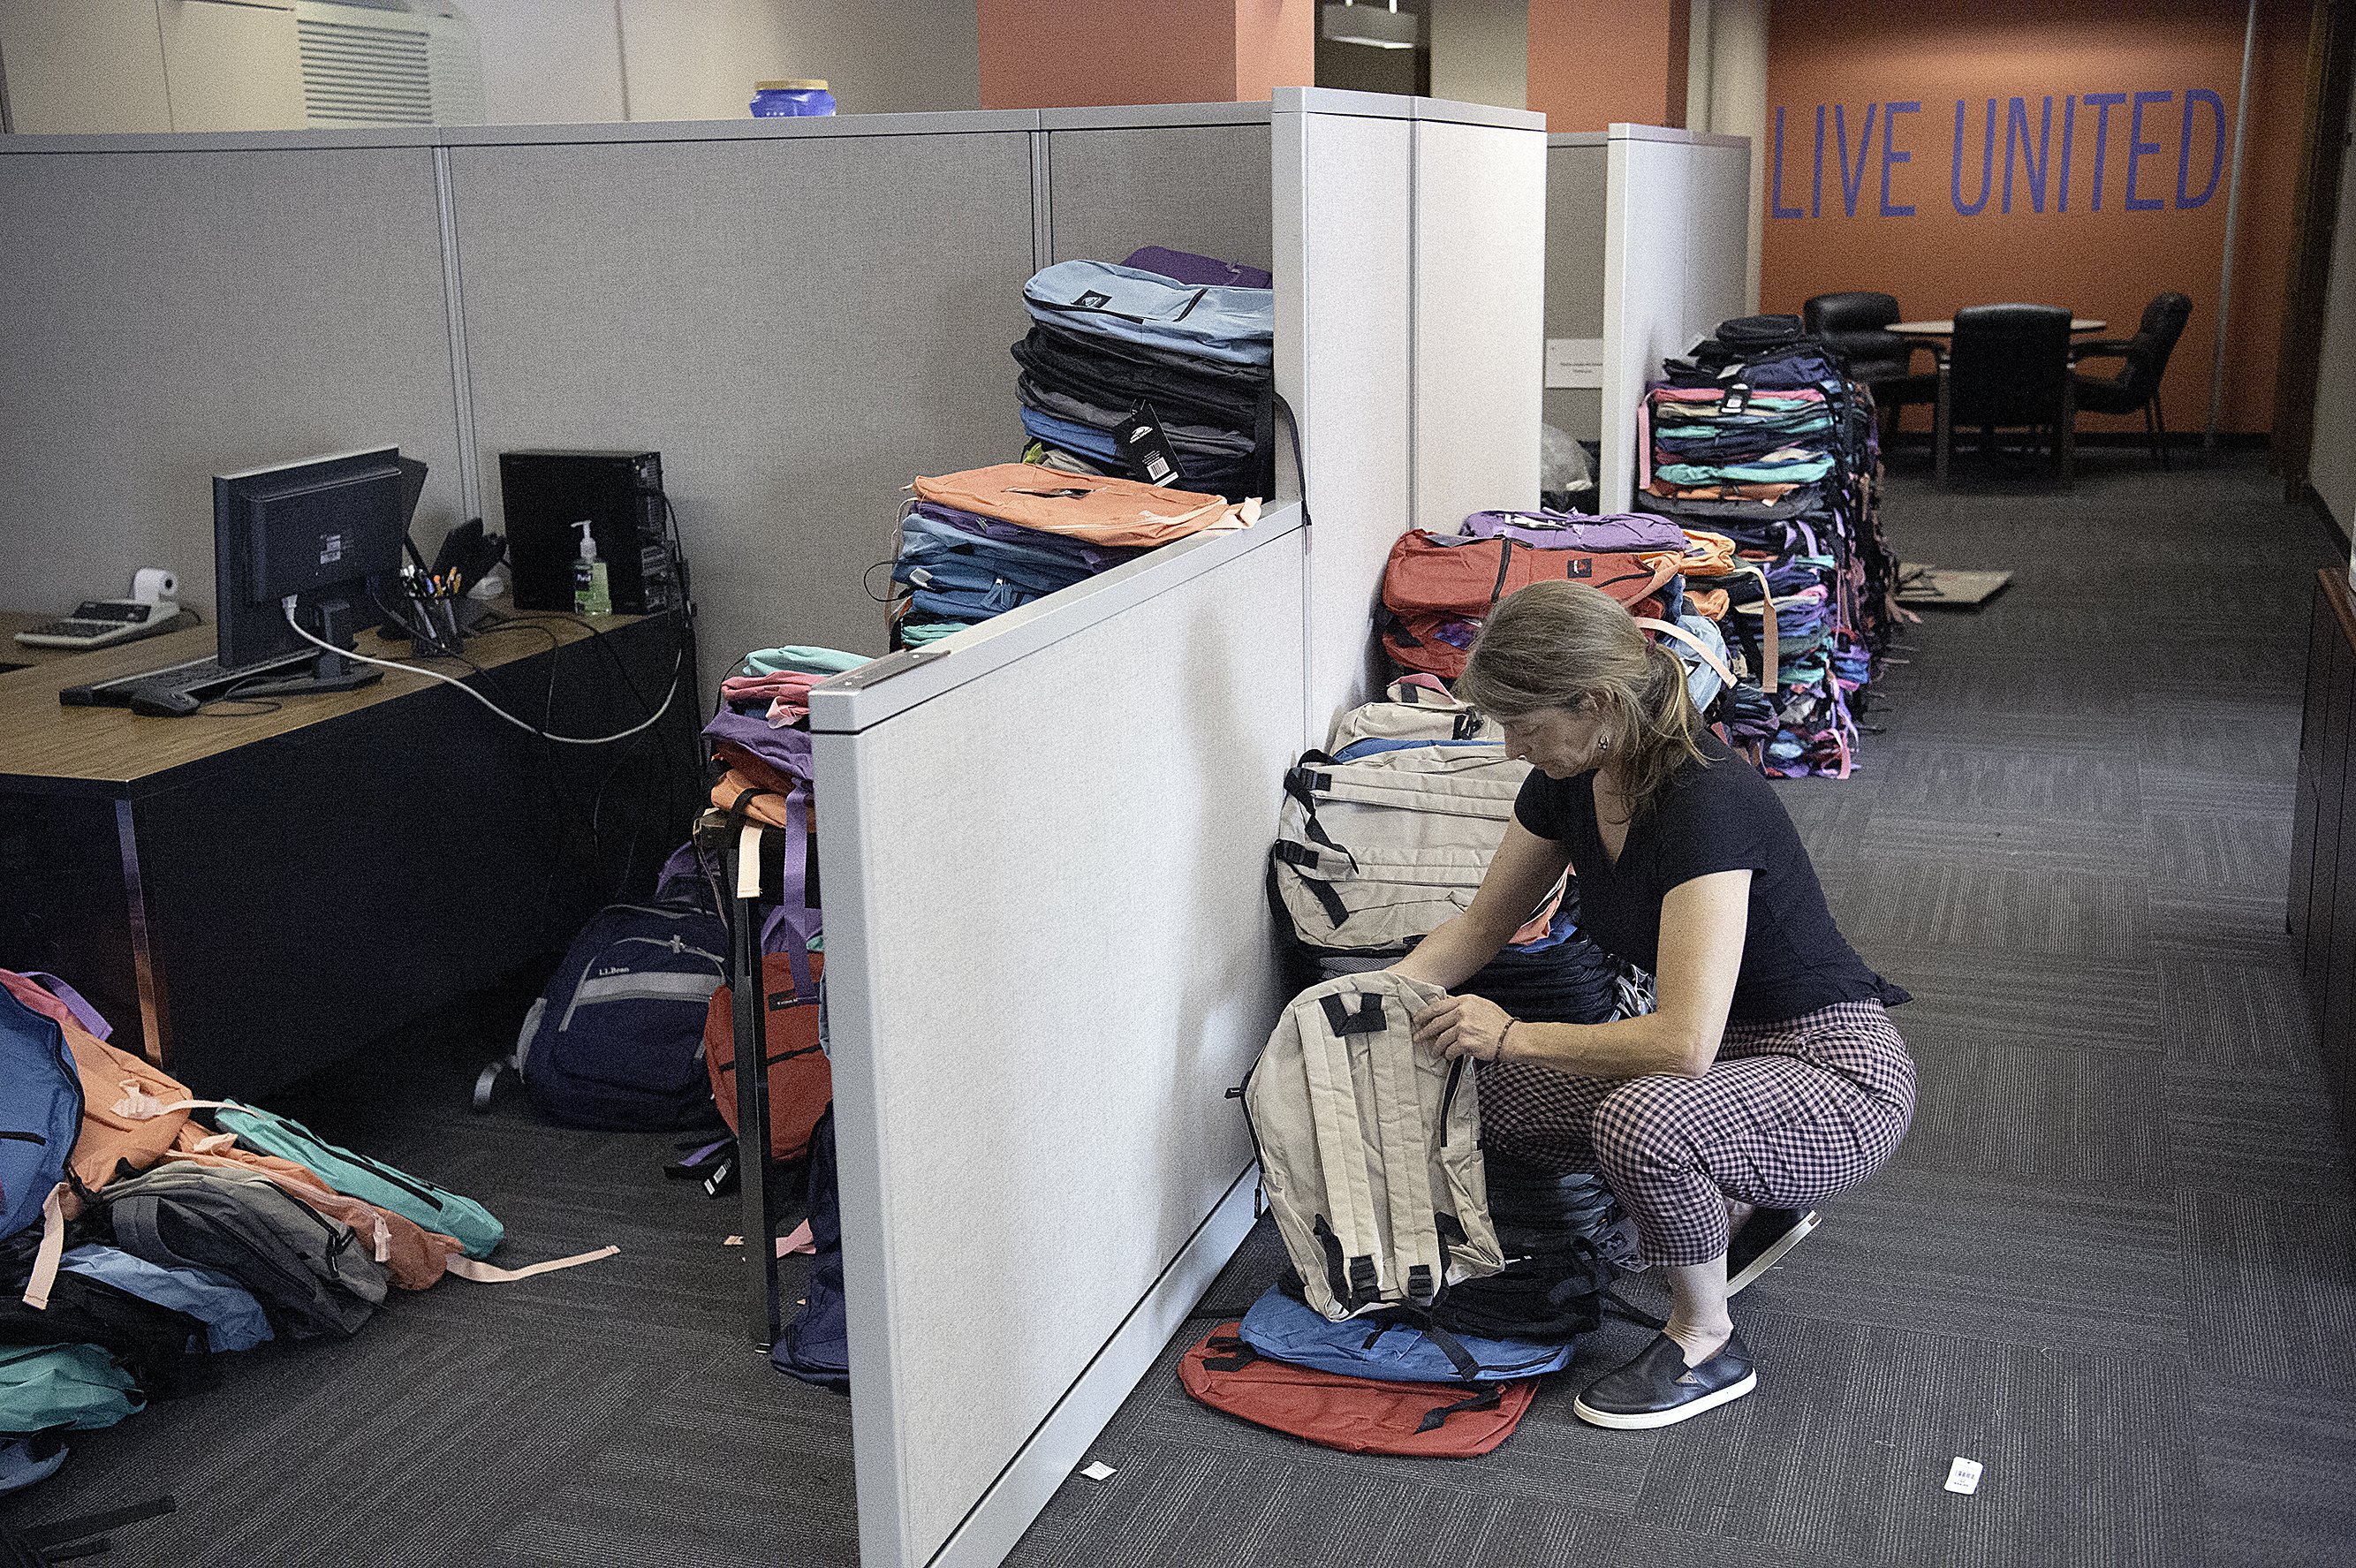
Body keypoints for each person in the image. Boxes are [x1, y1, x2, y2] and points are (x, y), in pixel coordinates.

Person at [1388, 580, 1914, 1430]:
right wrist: (1375, 1004)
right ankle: (1738, 1200)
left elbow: (1680, 1049)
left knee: (1642, 1119)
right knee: (1470, 1089)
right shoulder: (1572, 776)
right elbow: (1484, 924)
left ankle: (1707, 1338)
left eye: (1523, 723)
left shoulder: (1705, 799)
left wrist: (1513, 1032)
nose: (1515, 746)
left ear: (1595, 702)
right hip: (1734, 1063)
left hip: (1834, 1073)